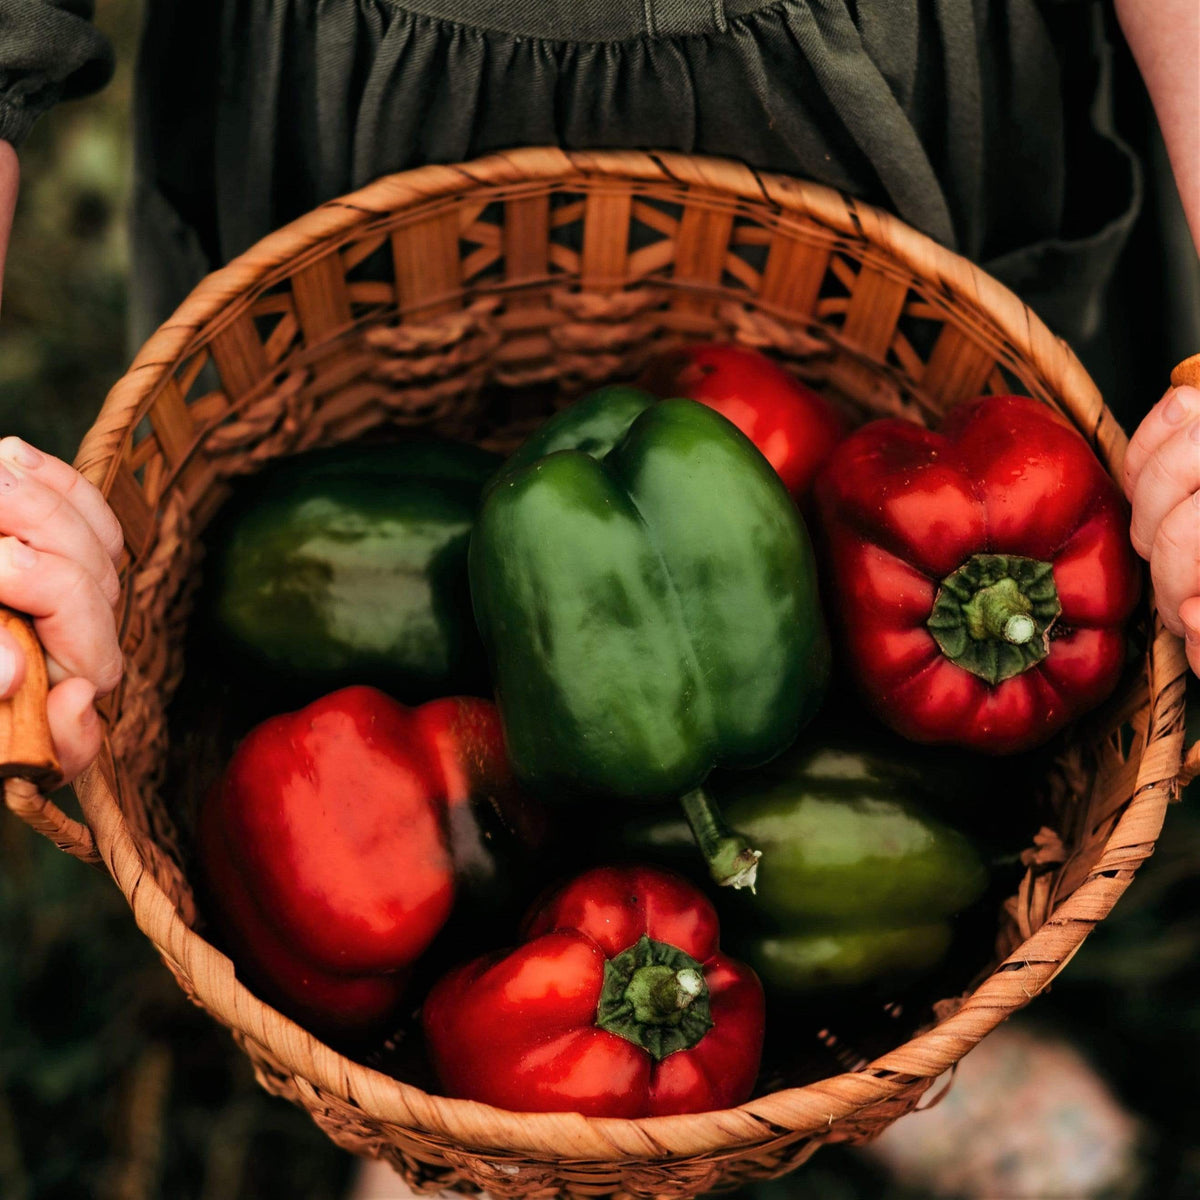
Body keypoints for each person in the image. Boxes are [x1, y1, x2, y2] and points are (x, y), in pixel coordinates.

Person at [0, 0, 1195, 791]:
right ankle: (429, 1105)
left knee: (959, 791)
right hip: (341, 102)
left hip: (905, 94)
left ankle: (923, 990)